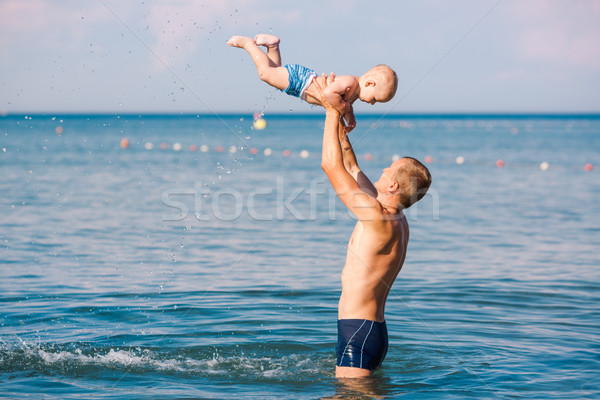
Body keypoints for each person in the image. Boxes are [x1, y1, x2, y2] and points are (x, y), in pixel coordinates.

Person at [314, 77, 431, 378]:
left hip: (360, 332)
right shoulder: (394, 218)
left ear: (392, 184)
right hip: (366, 331)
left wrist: (328, 110)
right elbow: (351, 167)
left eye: (387, 168)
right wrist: (341, 119)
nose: (381, 169)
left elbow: (331, 166)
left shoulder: (379, 219)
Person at [227, 34, 397, 132]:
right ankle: (248, 44)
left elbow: (346, 106)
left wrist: (350, 118)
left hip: (299, 84)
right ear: (370, 84)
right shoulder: (350, 82)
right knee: (265, 73)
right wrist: (342, 108)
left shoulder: (353, 93)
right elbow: (329, 93)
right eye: (375, 99)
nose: (373, 103)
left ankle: (273, 46)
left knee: (274, 70)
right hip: (301, 81)